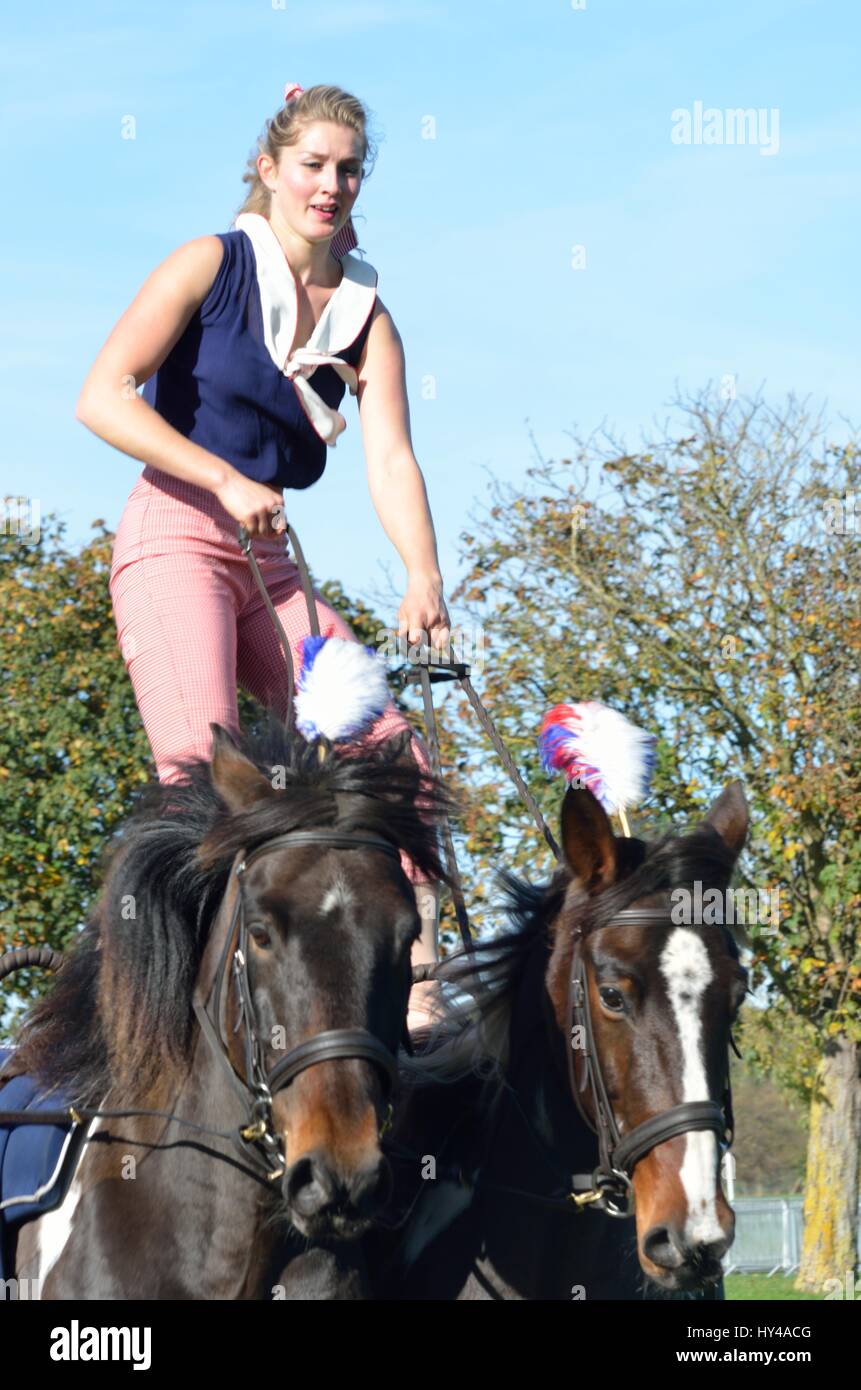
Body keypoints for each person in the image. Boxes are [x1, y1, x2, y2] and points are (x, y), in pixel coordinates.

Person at [74, 82, 449, 1033]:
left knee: (393, 753)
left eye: (349, 168)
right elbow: (104, 396)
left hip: (271, 565)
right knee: (206, 775)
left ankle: (416, 990)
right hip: (175, 537)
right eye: (313, 165)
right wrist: (223, 479)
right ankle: (182, 1018)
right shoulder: (211, 261)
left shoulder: (367, 314)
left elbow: (391, 456)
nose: (331, 184)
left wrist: (422, 576)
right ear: (269, 168)